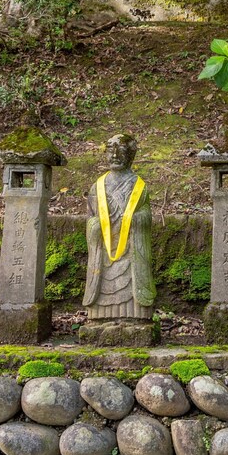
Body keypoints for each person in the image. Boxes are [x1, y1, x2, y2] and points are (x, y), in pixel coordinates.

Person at [83, 134, 155, 322]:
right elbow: (91, 216)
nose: (114, 155)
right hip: (104, 251)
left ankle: (136, 316)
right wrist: (95, 226)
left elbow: (146, 215)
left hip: (130, 250)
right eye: (110, 150)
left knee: (132, 279)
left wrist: (138, 220)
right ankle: (99, 317)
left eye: (121, 150)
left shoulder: (138, 186)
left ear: (130, 155)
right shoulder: (97, 187)